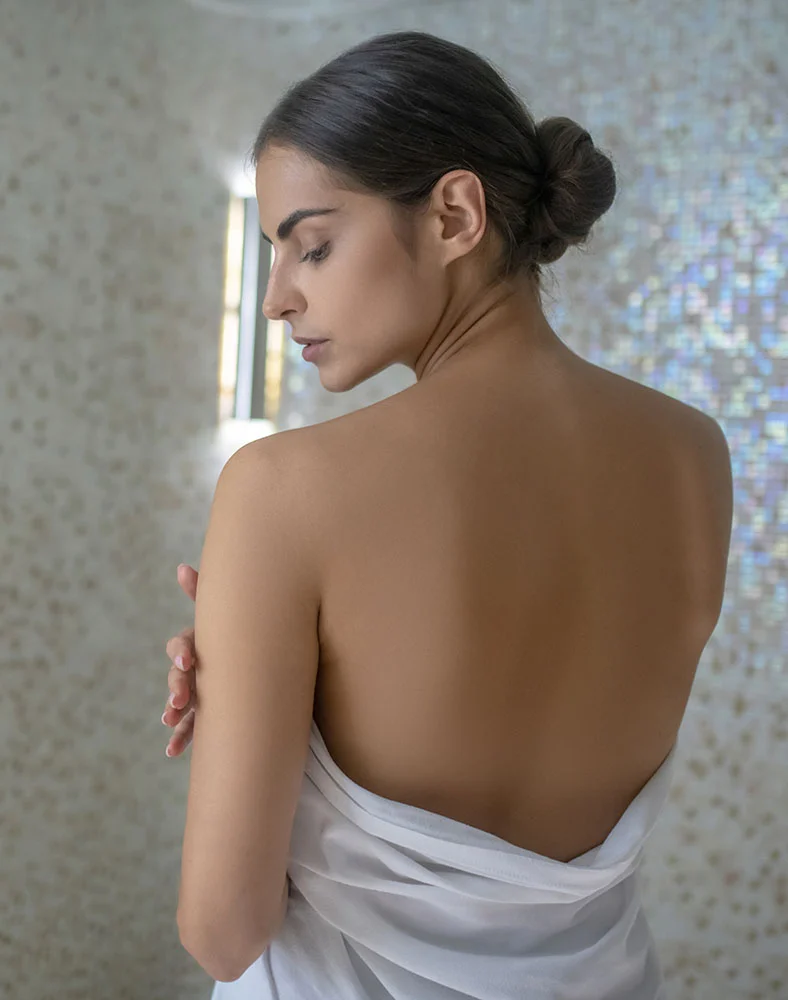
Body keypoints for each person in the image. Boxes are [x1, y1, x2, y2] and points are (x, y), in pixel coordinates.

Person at [161, 30, 733, 999]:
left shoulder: (283, 491)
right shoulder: (693, 458)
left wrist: (241, 703)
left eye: (312, 243)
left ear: (454, 214)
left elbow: (224, 933)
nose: (275, 300)